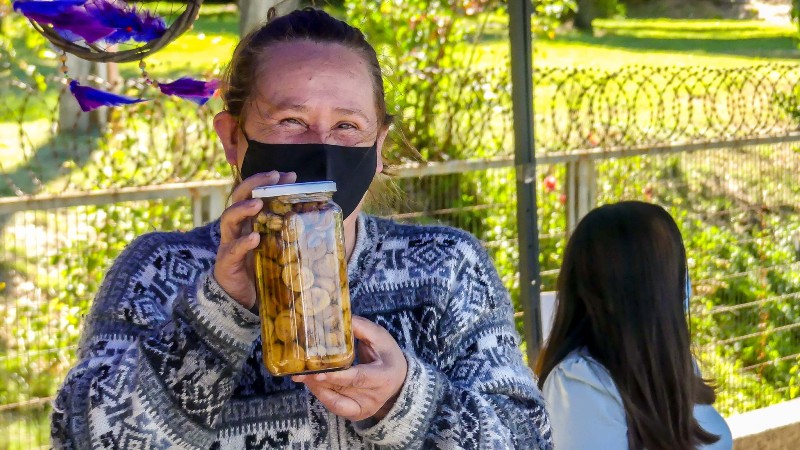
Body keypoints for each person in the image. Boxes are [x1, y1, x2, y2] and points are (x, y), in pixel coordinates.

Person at [51, 8, 553, 449]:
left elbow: (528, 437)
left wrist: (406, 400)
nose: (320, 146)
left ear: (379, 146)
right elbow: (84, 438)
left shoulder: (447, 269)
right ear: (232, 139)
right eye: (291, 121)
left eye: (347, 126)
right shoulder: (160, 272)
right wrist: (218, 311)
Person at [536, 201, 732, 450]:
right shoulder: (581, 384)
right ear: (647, 286)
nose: (684, 279)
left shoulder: (670, 360)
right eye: (674, 266)